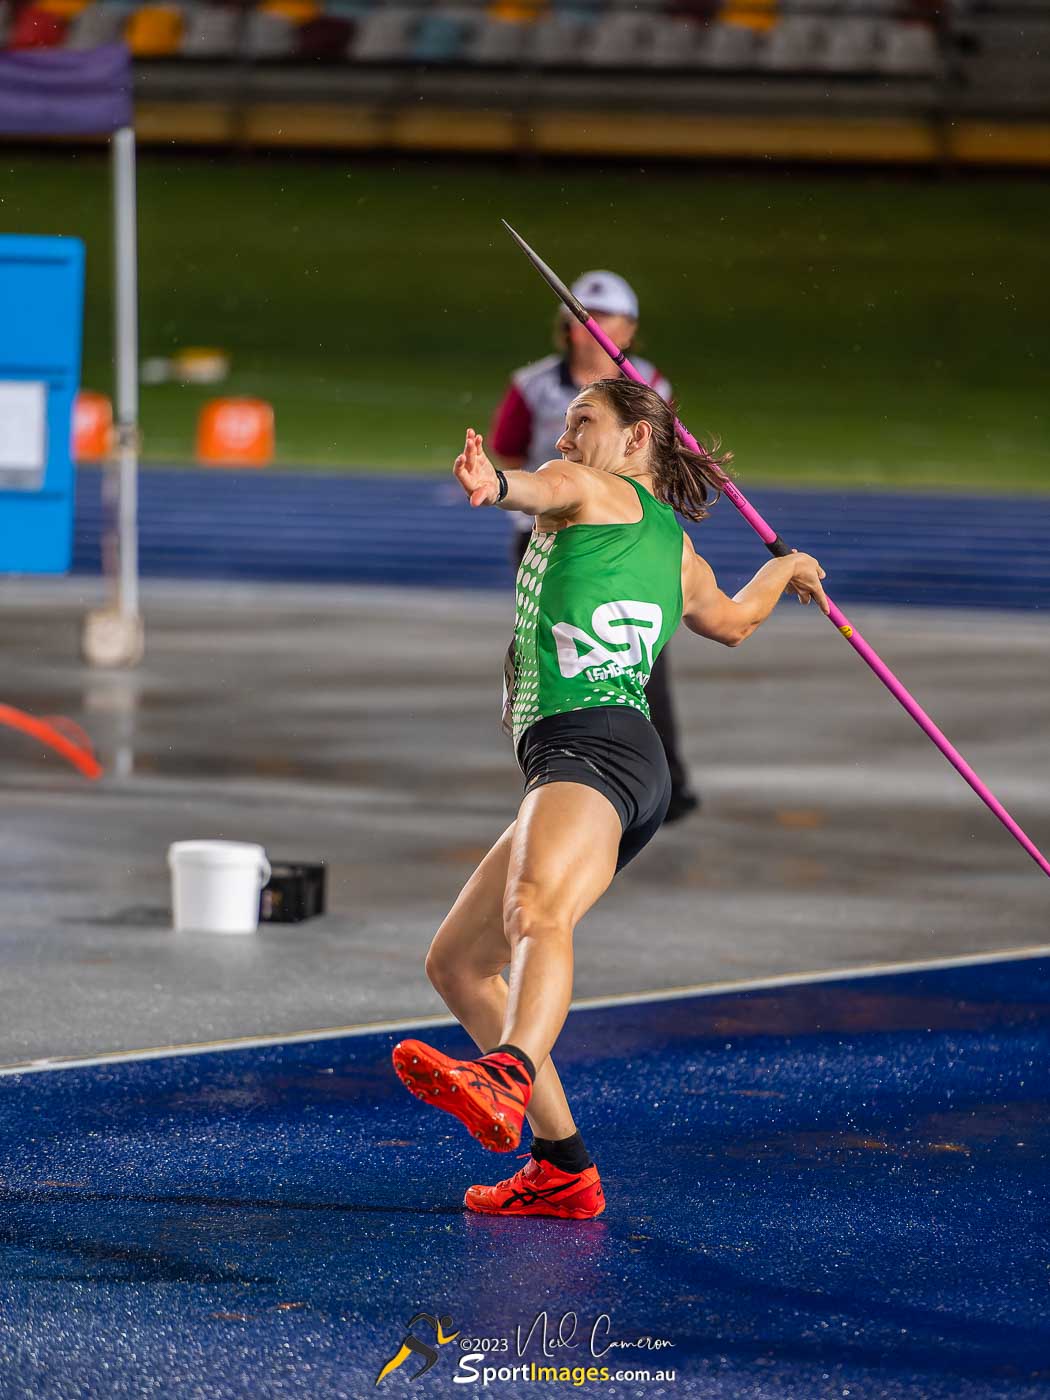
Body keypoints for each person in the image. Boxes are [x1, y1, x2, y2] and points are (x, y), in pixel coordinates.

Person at [392, 379, 827, 1219]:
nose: (563, 441)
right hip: (610, 759)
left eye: (582, 423)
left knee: (533, 912)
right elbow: (733, 623)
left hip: (592, 745)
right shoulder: (680, 553)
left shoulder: (593, 488)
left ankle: (508, 1073)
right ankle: (563, 1169)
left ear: (636, 443)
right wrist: (784, 571)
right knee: (457, 962)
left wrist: (498, 485)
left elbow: (545, 486)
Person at [489, 269, 700, 822]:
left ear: (627, 330)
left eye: (605, 320)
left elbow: (661, 465)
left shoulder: (652, 386)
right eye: (582, 318)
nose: (591, 330)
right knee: (548, 654)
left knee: (634, 659)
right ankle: (556, 774)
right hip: (548, 534)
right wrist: (515, 489)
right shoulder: (532, 384)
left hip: (623, 542)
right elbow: (511, 454)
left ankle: (654, 780)